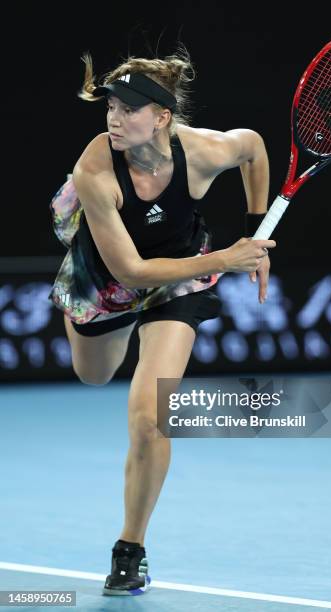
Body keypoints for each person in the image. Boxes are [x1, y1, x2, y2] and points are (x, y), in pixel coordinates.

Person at [49, 45, 276, 596]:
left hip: (178, 277)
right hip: (107, 282)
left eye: (129, 108)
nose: (115, 118)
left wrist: (255, 229)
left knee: (152, 415)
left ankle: (130, 550)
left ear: (163, 117)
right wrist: (229, 258)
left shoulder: (201, 151)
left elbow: (254, 148)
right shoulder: (96, 167)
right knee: (94, 375)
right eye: (111, 107)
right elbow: (129, 268)